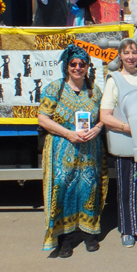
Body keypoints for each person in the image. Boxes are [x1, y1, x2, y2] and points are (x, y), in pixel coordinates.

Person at [38, 44, 107, 258]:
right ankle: (65, 239)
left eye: (82, 64)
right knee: (63, 190)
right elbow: (43, 119)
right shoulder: (55, 89)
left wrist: (97, 128)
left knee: (89, 189)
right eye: (73, 64)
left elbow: (104, 117)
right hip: (62, 149)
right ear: (67, 66)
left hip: (89, 150)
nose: (77, 68)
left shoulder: (95, 91)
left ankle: (89, 234)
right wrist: (68, 133)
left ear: (87, 67)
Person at [100, 39, 137, 248]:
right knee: (127, 188)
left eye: (134, 52)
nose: (131, 57)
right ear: (120, 56)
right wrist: (126, 127)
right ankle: (128, 229)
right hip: (125, 142)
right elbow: (105, 116)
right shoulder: (114, 80)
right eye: (126, 53)